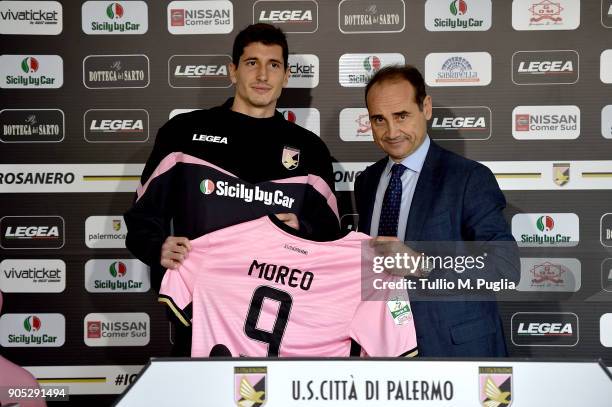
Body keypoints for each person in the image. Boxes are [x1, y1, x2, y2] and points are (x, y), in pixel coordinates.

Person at [124, 23, 340, 355]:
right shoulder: (184, 134)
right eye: (252, 63)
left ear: (286, 75)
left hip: (281, 327)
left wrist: (304, 229)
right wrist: (157, 247)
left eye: (274, 65)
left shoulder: (310, 150)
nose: (263, 75)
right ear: (233, 71)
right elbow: (142, 219)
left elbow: (331, 237)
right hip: (201, 317)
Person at [354, 65, 519, 357]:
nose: (391, 132)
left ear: (426, 108)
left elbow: (505, 268)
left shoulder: (469, 178)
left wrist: (421, 264)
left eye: (401, 116)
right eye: (379, 119)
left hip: (456, 351)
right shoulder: (366, 181)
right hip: (384, 348)